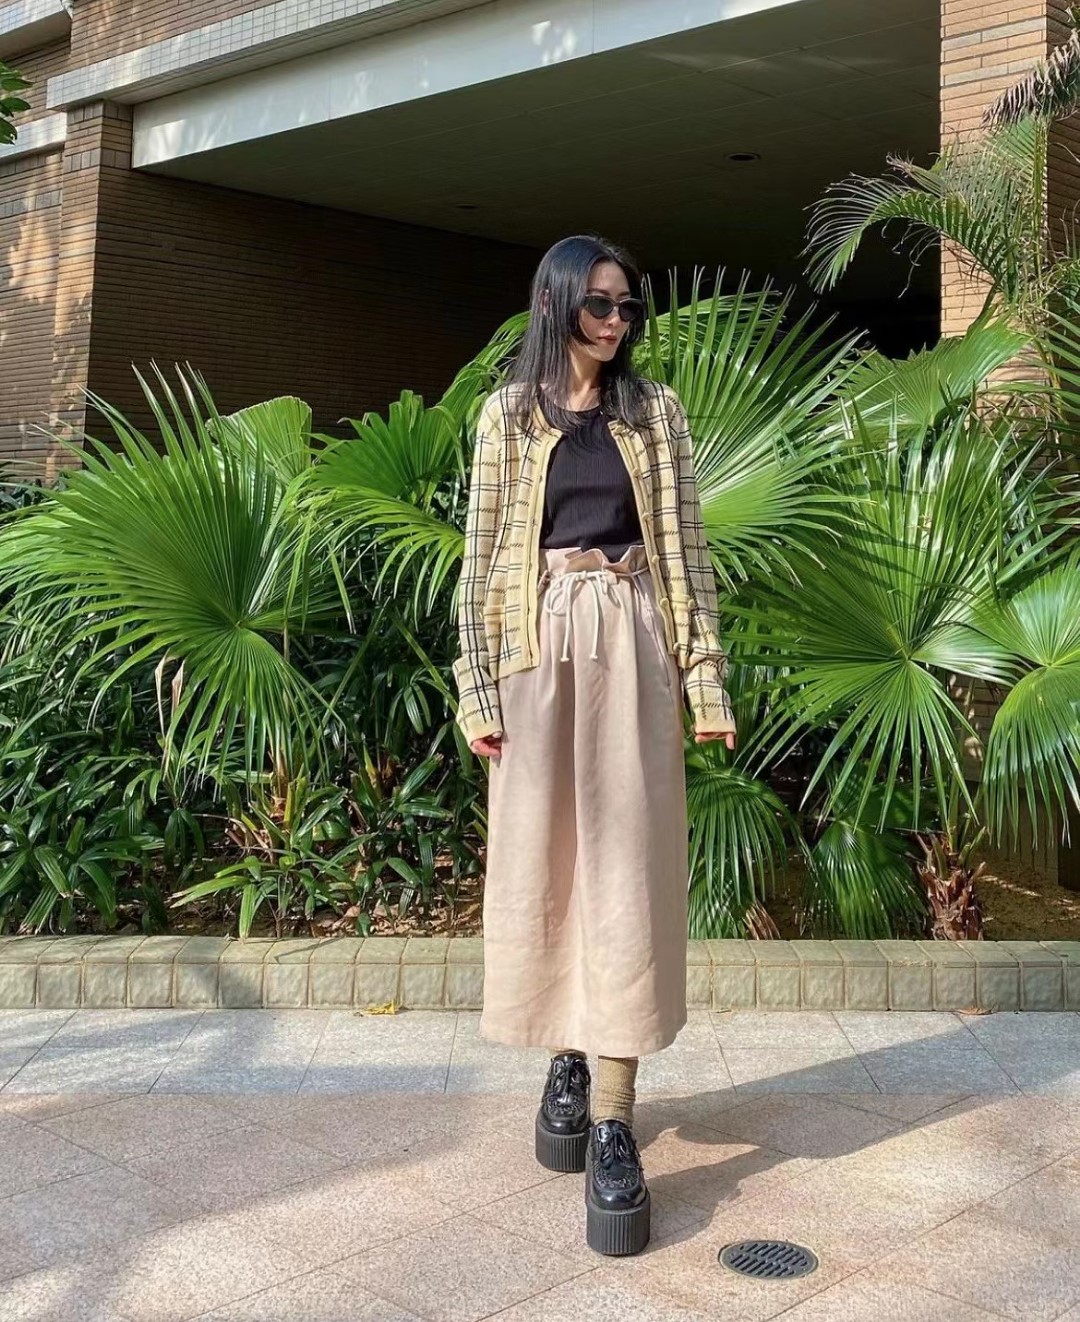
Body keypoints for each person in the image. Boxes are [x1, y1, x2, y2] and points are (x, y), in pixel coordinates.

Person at [454, 233, 737, 1257]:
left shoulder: (657, 413)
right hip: (536, 652)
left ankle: (613, 1113)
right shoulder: (505, 415)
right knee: (549, 871)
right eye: (600, 305)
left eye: (628, 307)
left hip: (634, 640)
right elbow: (482, 556)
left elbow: (687, 552)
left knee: (628, 884)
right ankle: (565, 1058)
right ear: (556, 303)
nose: (617, 323)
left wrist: (704, 677)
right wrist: (477, 686)